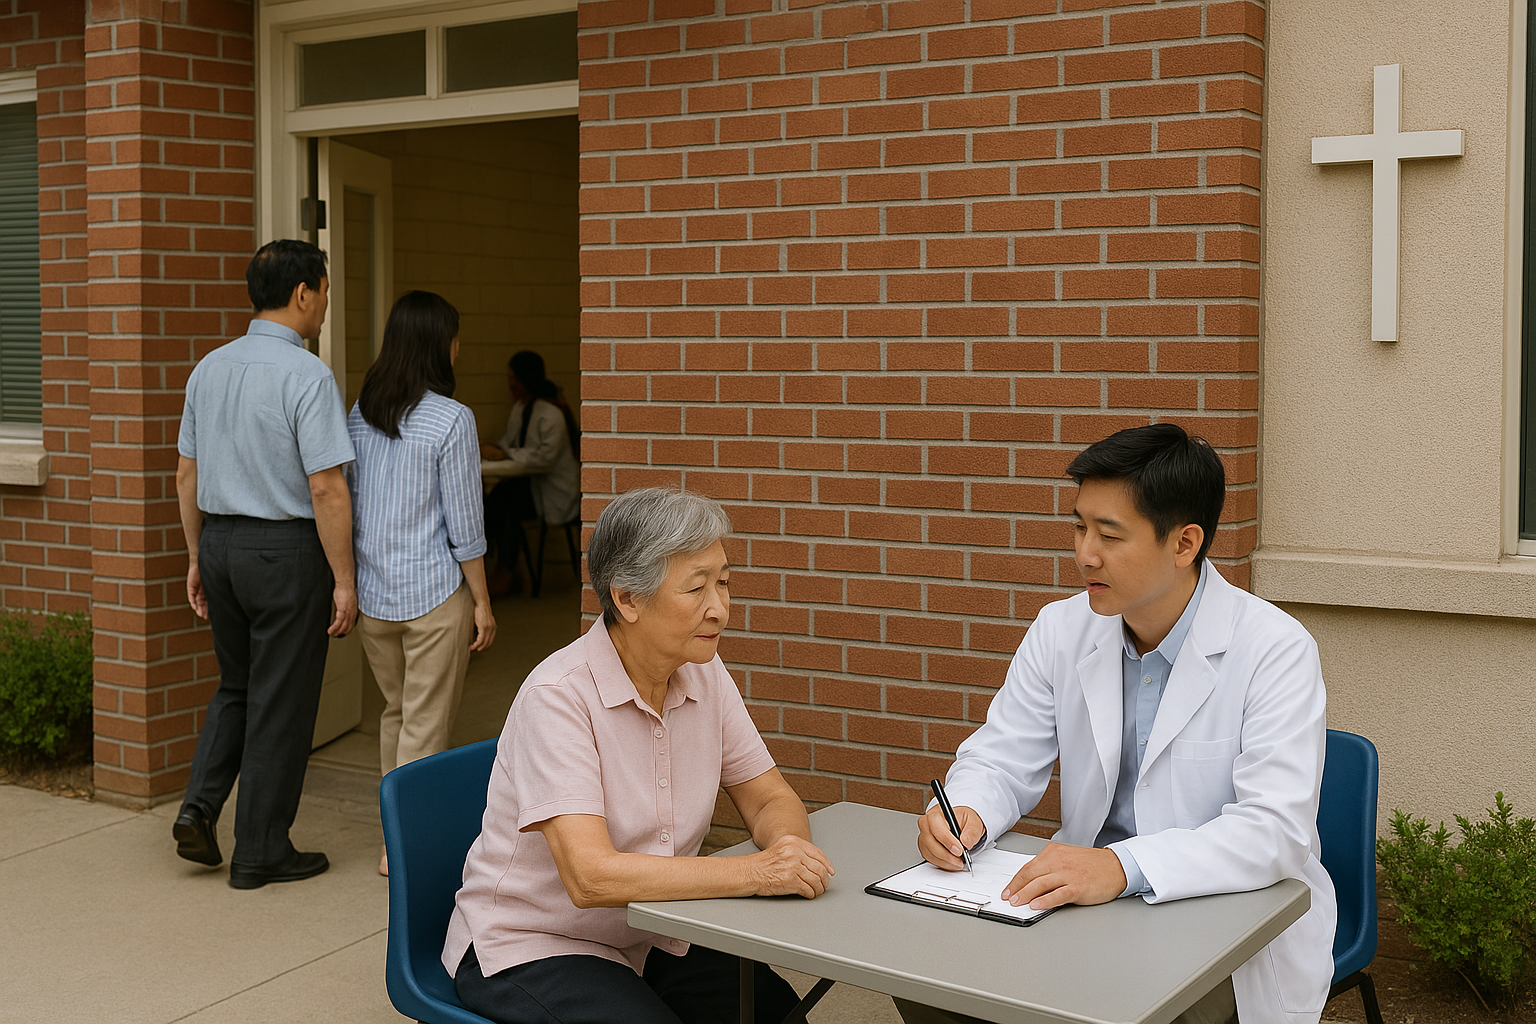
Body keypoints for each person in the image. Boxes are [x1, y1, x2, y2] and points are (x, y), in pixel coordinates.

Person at [901, 424, 1336, 1024]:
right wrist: (968, 811)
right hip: (1080, 902)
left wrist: (1119, 866)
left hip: (1216, 918)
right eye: (1080, 527)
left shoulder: (1275, 650)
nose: (1085, 554)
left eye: (1109, 535)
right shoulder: (1062, 629)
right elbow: (1000, 759)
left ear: (1185, 543)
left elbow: (1273, 831)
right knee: (928, 980)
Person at [442, 487, 835, 1024]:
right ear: (626, 598)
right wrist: (760, 873)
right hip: (535, 942)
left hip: (655, 928)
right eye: (695, 589)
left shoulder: (704, 670)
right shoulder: (557, 697)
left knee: (773, 1012)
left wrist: (791, 852)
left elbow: (766, 796)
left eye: (723, 582)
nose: (719, 608)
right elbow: (591, 878)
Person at [172, 239, 357, 890]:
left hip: (220, 544)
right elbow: (327, 486)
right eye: (326, 291)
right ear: (304, 292)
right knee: (281, 701)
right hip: (284, 552)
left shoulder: (210, 368)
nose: (326, 305)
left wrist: (197, 555)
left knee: (237, 685)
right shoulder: (307, 376)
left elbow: (186, 472)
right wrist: (343, 578)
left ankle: (199, 806)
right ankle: (260, 850)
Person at [347, 290, 498, 876]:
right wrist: (482, 601)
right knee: (426, 724)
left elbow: (349, 500)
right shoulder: (451, 419)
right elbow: (466, 522)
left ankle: (393, 832)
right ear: (442, 344)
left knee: (396, 714)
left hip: (376, 593)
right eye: (455, 337)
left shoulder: (360, 412)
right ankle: (405, 847)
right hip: (435, 593)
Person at [479, 350, 579, 593]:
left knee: (507, 505)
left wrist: (506, 454)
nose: (510, 383)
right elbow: (511, 444)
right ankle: (506, 569)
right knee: (497, 499)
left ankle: (506, 572)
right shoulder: (520, 409)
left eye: (514, 377)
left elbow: (544, 458)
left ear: (526, 378)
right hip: (532, 485)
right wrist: (494, 450)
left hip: (555, 493)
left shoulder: (551, 413)